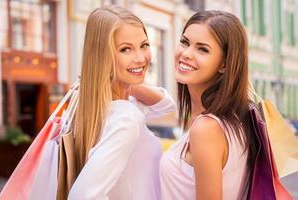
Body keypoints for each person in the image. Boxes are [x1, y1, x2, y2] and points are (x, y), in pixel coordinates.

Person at [68, 5, 175, 200]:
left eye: (144, 45)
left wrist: (127, 83)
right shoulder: (125, 118)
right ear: (103, 56)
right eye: (125, 49)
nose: (141, 58)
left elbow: (167, 105)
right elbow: (83, 195)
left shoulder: (93, 104)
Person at [160, 10, 256, 199]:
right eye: (185, 42)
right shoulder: (235, 120)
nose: (186, 54)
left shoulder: (206, 129)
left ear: (224, 65)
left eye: (202, 49)